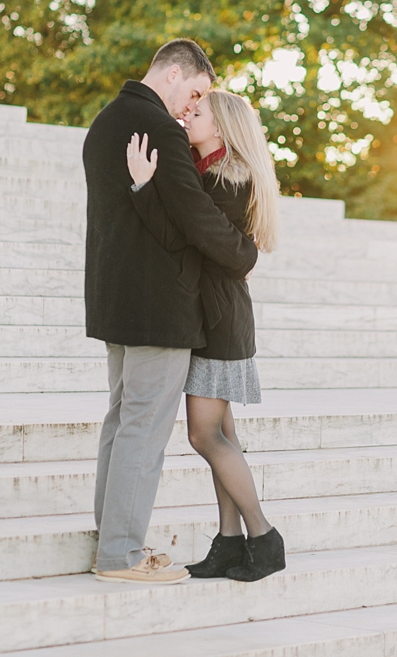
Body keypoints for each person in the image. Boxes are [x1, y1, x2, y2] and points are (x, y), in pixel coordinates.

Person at [83, 40, 259, 584]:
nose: (191, 107)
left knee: (121, 422)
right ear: (176, 73)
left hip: (116, 300)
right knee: (142, 429)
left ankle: (111, 537)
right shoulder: (158, 127)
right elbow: (193, 218)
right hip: (159, 306)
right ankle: (121, 554)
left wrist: (144, 188)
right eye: (197, 93)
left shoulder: (107, 120)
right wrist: (244, 252)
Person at [125, 88, 287, 582]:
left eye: (197, 113)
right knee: (222, 434)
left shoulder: (225, 179)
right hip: (214, 318)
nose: (186, 116)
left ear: (222, 126)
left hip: (218, 322)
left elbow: (186, 236)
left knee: (203, 434)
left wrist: (144, 186)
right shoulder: (207, 171)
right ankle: (230, 542)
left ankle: (262, 537)